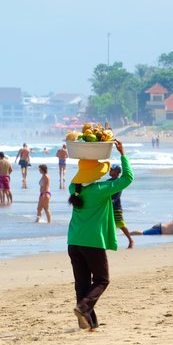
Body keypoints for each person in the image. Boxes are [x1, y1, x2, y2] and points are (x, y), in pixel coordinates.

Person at [66, 139, 132, 331]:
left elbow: (77, 183)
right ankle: (83, 308)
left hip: (74, 241)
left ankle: (88, 322)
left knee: (82, 283)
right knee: (102, 279)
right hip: (93, 241)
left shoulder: (74, 189)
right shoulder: (100, 190)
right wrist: (123, 153)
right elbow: (127, 178)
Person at [107, 164, 134, 248]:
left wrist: (112, 201)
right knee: (107, 225)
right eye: (110, 169)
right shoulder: (108, 181)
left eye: (112, 169)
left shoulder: (119, 182)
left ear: (117, 172)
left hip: (116, 207)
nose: (110, 171)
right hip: (107, 207)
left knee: (121, 225)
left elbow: (117, 195)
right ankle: (108, 242)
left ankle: (130, 240)